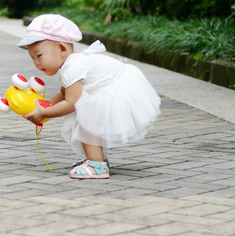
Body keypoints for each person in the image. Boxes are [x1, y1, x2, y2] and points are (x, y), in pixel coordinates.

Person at [18, 13, 161, 179]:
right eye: (32, 58)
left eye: (40, 56)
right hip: (108, 86)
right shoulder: (69, 64)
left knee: (86, 118)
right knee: (86, 116)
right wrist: (44, 105)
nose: (36, 63)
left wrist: (44, 113)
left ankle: (97, 165)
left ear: (62, 49)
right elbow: (64, 94)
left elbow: (71, 103)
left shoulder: (73, 66)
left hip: (114, 89)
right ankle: (95, 160)